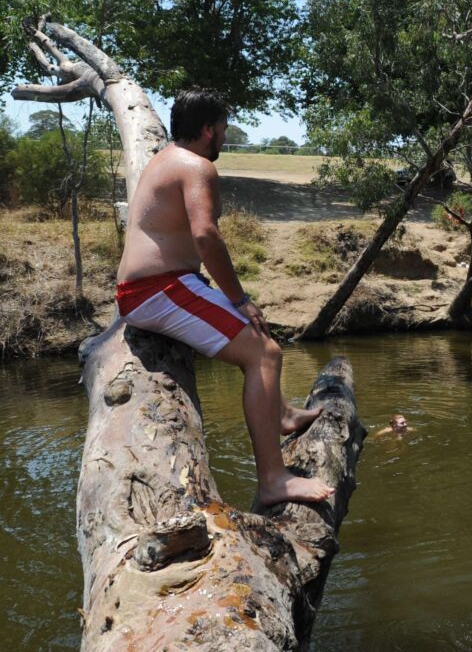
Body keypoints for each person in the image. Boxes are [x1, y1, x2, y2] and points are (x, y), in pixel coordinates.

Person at [115, 89, 334, 506]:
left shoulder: (166, 157)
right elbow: (205, 236)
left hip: (157, 286)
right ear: (207, 130)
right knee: (264, 355)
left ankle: (283, 415)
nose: (225, 136)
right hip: (157, 290)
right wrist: (239, 298)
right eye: (224, 128)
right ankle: (273, 480)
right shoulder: (197, 166)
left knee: (266, 347)